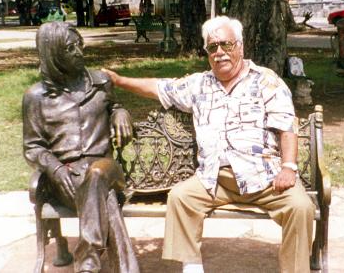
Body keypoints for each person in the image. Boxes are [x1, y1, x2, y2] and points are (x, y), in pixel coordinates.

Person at [102, 16, 315, 273]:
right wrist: (119, 80)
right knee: (180, 197)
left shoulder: (266, 80)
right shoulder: (199, 84)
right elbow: (159, 87)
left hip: (265, 178)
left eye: (226, 45)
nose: (220, 53)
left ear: (240, 46)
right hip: (214, 180)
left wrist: (289, 167)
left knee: (301, 207)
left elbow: (286, 126)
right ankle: (192, 268)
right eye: (212, 47)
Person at [23, 22, 140, 273]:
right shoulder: (36, 97)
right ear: (52, 54)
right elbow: (32, 147)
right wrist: (54, 169)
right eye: (69, 48)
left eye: (79, 45)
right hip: (68, 178)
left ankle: (88, 263)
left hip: (107, 169)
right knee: (102, 197)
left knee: (96, 173)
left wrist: (120, 112)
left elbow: (115, 106)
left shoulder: (101, 82)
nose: (79, 52)